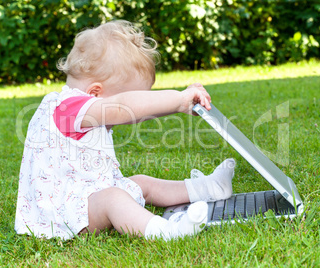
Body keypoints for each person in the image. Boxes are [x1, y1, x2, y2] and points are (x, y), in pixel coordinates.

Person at [14, 20, 235, 241]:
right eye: (135, 96)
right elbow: (124, 108)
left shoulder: (79, 107)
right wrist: (178, 99)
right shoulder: (68, 108)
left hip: (84, 195)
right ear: (96, 93)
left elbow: (133, 113)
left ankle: (211, 187)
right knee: (114, 198)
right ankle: (167, 232)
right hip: (64, 213)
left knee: (141, 183)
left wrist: (179, 107)